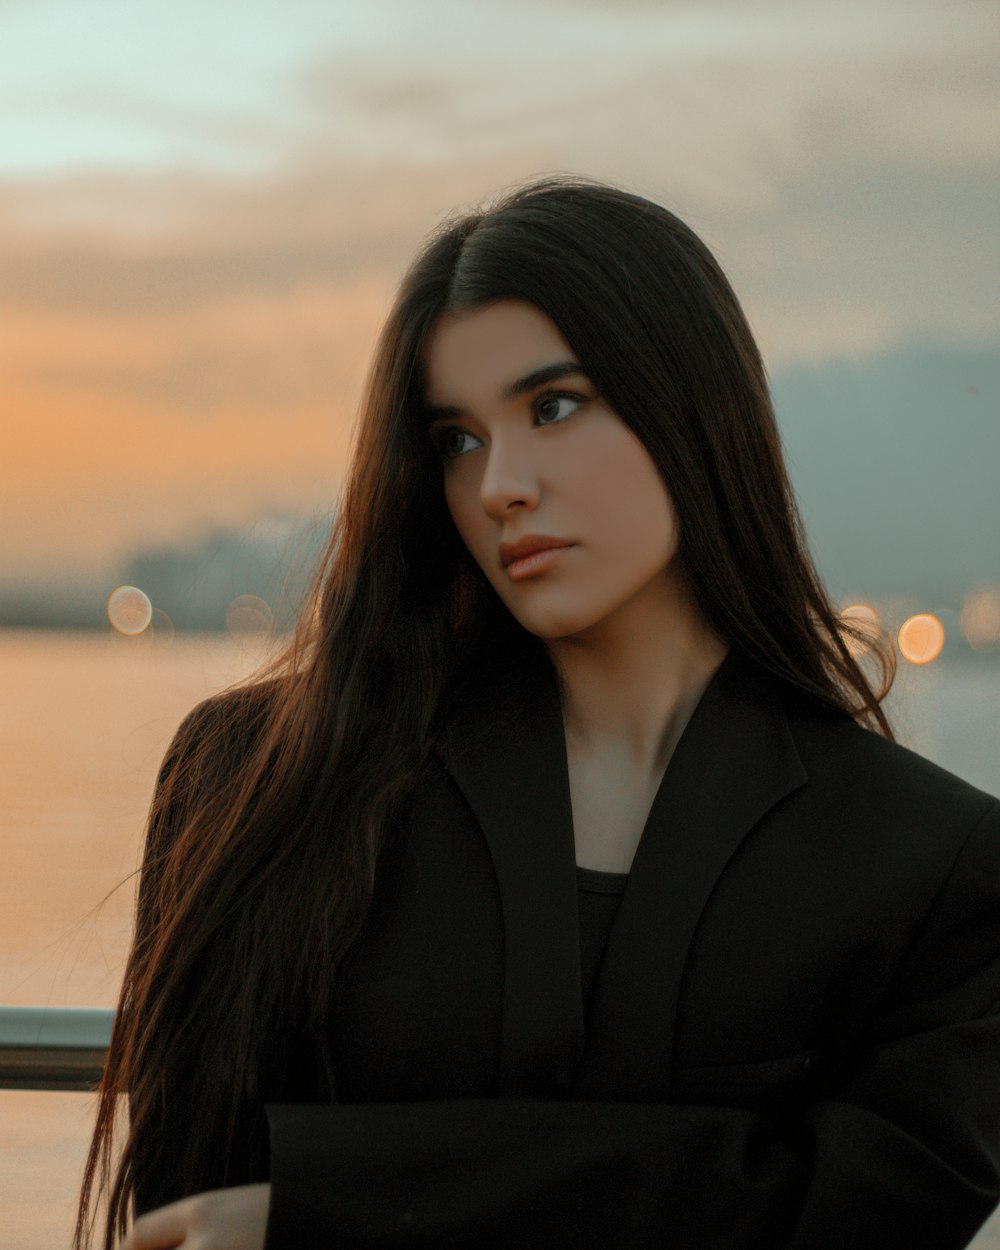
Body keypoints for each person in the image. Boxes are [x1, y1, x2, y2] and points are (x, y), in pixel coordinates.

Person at [77, 175, 1000, 1250]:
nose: (500, 483)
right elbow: (187, 1223)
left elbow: (851, 1226)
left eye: (553, 406)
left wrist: (328, 1204)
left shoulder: (937, 865)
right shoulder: (253, 779)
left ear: (690, 406)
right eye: (455, 438)